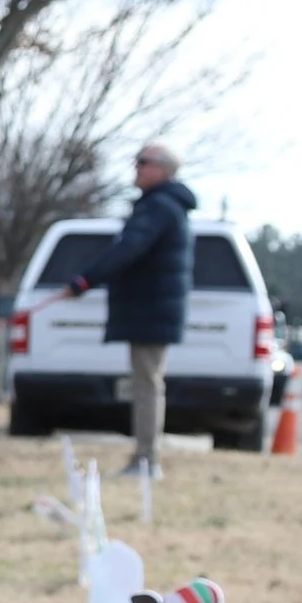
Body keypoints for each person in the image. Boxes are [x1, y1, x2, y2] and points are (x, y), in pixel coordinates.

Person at [65, 143, 195, 479]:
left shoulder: (159, 207)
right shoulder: (161, 206)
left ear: (162, 169)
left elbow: (128, 249)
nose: (135, 168)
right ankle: (144, 457)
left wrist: (84, 281)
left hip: (152, 310)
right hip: (149, 308)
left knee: (148, 385)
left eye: (142, 162)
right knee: (146, 383)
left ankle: (146, 460)